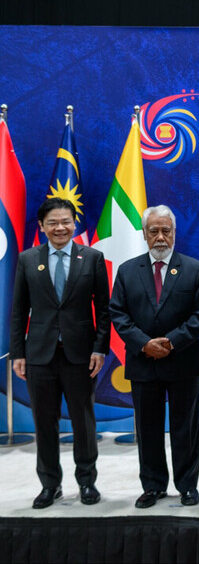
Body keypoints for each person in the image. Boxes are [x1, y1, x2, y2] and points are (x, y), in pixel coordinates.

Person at [9, 198, 110, 509]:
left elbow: (104, 310)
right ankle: (50, 485)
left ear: (74, 223)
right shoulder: (28, 259)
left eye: (66, 221)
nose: (60, 227)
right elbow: (18, 310)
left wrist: (100, 348)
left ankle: (87, 482)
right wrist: (18, 353)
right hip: (39, 356)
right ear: (42, 226)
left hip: (80, 355)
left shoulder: (91, 258)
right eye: (52, 222)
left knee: (84, 422)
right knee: (44, 423)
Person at [108, 205, 199, 508]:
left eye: (166, 230)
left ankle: (187, 485)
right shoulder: (127, 271)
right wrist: (144, 344)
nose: (161, 237)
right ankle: (153, 486)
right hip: (143, 362)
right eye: (154, 231)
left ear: (175, 233)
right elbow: (118, 313)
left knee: (185, 428)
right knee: (148, 428)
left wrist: (172, 342)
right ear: (144, 234)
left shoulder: (194, 268)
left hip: (182, 361)